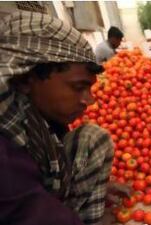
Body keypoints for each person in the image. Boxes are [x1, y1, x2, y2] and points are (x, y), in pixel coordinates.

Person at [0, 11, 130, 225]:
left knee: (91, 138)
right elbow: (30, 214)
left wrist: (95, 188)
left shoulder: (38, 117)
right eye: (78, 87)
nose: (89, 101)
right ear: (25, 79)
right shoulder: (5, 158)